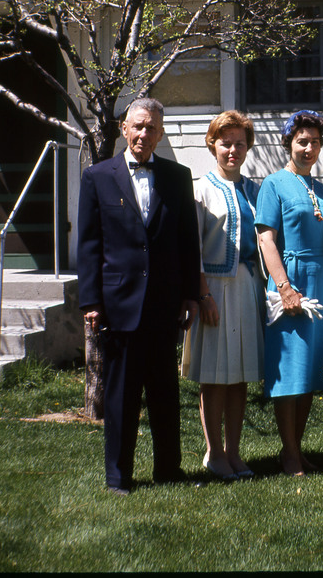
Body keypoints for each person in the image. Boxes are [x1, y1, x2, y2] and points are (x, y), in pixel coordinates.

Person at [77, 97, 200, 495]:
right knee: (121, 396)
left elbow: (187, 241)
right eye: (138, 126)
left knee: (164, 391)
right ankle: (118, 476)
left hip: (164, 303)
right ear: (124, 128)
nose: (144, 134)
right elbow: (90, 245)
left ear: (160, 134)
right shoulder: (97, 176)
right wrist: (91, 301)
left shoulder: (178, 177)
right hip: (118, 304)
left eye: (152, 129)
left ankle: (169, 469)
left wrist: (190, 295)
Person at [181, 111, 263, 480]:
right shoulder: (200, 189)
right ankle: (213, 452)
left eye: (240, 143)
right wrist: (202, 296)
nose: (233, 150)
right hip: (213, 288)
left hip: (246, 287)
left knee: (239, 374)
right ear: (212, 144)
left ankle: (234, 452)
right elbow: (191, 247)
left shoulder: (253, 190)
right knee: (214, 375)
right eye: (225, 142)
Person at [256, 110, 323, 476]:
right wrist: (285, 287)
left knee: (309, 372)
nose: (309, 148)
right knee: (289, 370)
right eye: (302, 141)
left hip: (321, 283)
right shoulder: (273, 183)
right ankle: (288, 453)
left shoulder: (322, 189)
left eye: (315, 142)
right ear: (289, 143)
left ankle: (297, 450)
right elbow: (266, 239)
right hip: (291, 281)